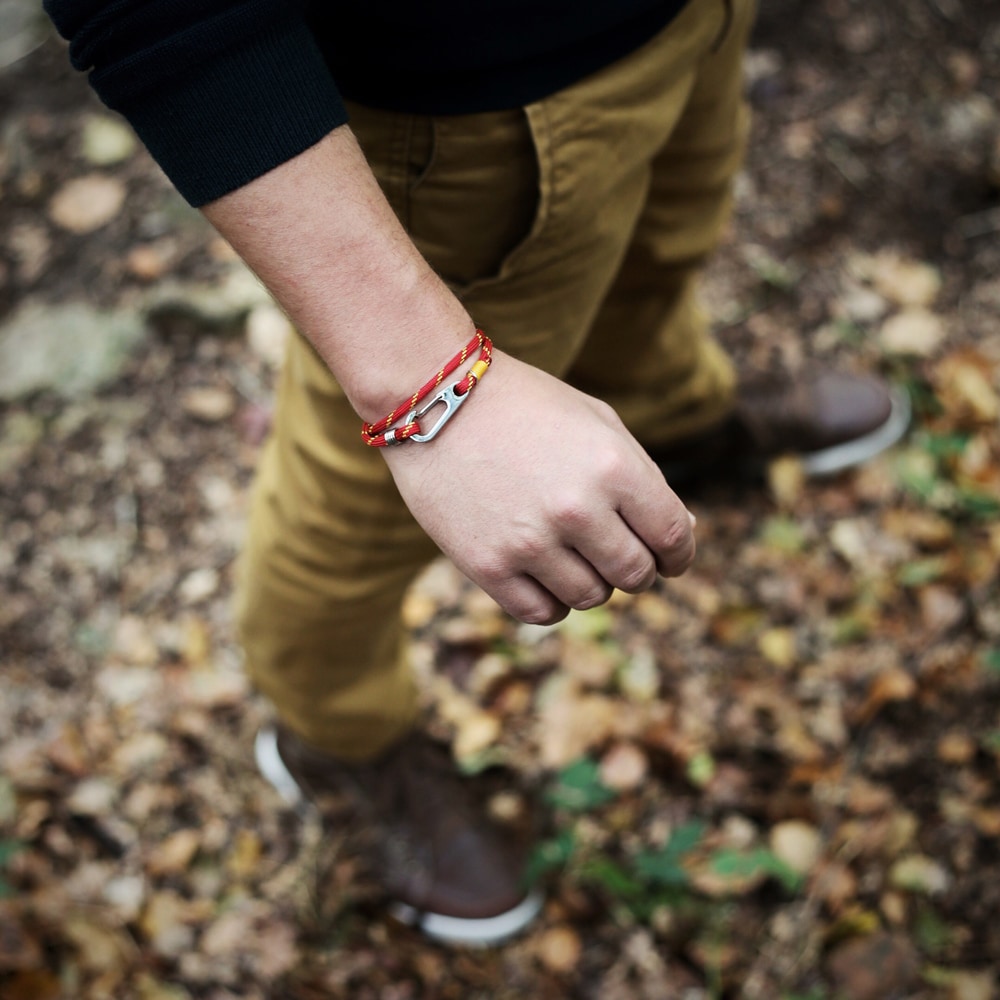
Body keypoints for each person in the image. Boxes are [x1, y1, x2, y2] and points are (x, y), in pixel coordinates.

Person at [45, 0, 909, 945]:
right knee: (353, 518)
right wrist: (427, 379)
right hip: (456, 110)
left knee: (658, 256)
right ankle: (336, 737)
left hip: (686, 25)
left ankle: (673, 421)